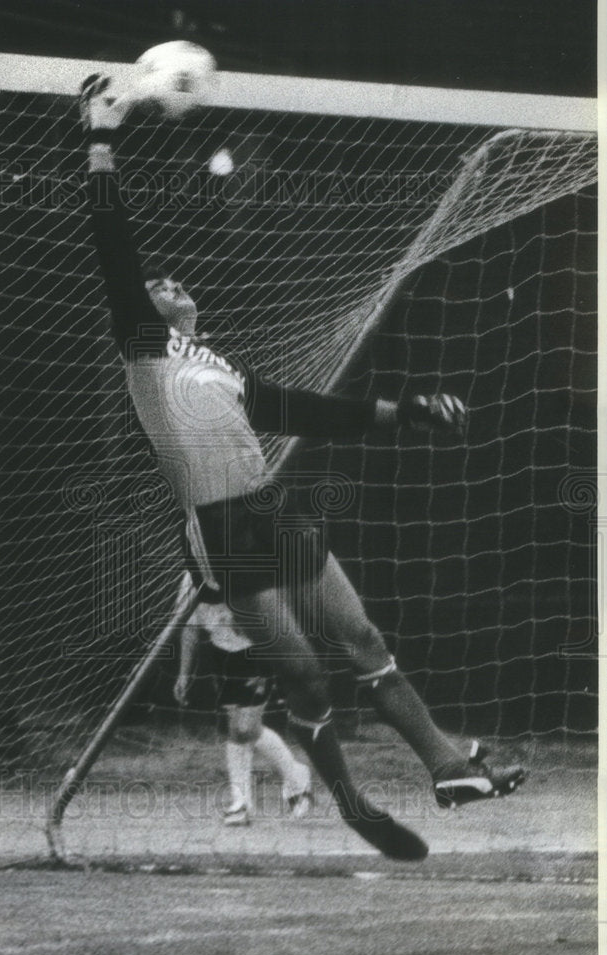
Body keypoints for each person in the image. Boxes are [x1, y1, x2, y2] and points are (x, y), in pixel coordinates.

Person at [79, 75, 526, 861]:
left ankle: (449, 767)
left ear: (194, 309)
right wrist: (101, 140)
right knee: (310, 684)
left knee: (362, 639)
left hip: (272, 507)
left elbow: (301, 409)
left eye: (175, 283)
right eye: (156, 284)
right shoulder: (144, 348)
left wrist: (405, 412)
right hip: (224, 529)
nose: (164, 284)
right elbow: (116, 252)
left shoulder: (213, 363)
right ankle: (350, 801)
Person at [175, 571, 312, 826]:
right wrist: (184, 674)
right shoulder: (189, 579)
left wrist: (250, 620)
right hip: (222, 655)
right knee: (237, 730)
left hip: (256, 650)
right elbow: (189, 628)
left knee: (245, 727)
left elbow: (275, 606)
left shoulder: (241, 567)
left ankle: (294, 777)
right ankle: (243, 803)